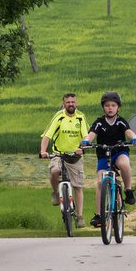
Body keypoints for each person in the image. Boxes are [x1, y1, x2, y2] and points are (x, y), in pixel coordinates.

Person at [82, 91, 136, 228]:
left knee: (123, 164)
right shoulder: (99, 122)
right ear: (103, 107)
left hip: (119, 151)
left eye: (113, 105)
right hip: (103, 154)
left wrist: (134, 138)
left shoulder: (120, 121)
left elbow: (129, 132)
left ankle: (128, 190)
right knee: (100, 182)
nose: (110, 108)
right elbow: (91, 134)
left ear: (118, 107)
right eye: (107, 105)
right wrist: (85, 141)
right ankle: (99, 215)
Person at [39, 92, 89, 228]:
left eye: (73, 102)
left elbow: (86, 136)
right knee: (54, 171)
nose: (71, 104)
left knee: (78, 186)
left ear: (76, 103)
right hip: (58, 154)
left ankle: (79, 216)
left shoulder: (81, 117)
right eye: (68, 102)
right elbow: (47, 136)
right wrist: (43, 151)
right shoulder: (59, 117)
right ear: (64, 103)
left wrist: (82, 148)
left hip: (75, 156)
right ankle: (56, 192)